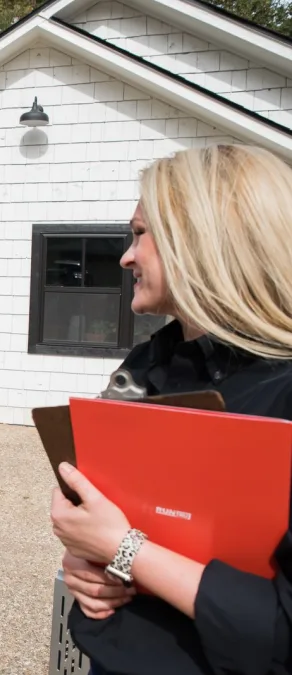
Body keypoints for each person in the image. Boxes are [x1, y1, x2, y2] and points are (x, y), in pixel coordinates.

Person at [49, 144, 292, 675]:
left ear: (204, 239)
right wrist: (88, 557)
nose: (125, 257)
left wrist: (124, 548)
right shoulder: (146, 366)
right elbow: (102, 513)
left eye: (139, 233)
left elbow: (281, 632)